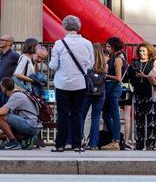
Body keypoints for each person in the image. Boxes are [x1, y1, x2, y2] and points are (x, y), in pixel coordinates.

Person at [49, 14, 93, 152]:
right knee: (77, 113)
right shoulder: (87, 43)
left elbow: (53, 65)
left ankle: (60, 144)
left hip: (62, 83)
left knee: (62, 113)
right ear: (78, 27)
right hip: (80, 83)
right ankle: (77, 144)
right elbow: (90, 64)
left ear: (64, 26)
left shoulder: (59, 44)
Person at [0, 78, 40, 149]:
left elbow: (2, 112)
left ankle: (13, 142)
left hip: (30, 124)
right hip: (31, 125)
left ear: (3, 87)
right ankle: (28, 138)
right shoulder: (19, 94)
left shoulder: (16, 95)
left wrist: (1, 109)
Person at [129, 42, 156, 150]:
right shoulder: (135, 63)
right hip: (138, 92)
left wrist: (143, 76)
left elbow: (154, 77)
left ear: (148, 51)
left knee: (151, 119)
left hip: (150, 93)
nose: (142, 53)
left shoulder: (152, 63)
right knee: (139, 119)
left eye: (144, 51)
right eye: (140, 51)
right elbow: (130, 77)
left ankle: (151, 143)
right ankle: (140, 143)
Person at [79, 44, 108, 149]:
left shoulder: (87, 64)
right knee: (96, 117)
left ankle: (80, 139)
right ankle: (93, 144)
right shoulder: (104, 65)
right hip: (100, 92)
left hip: (87, 92)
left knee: (82, 115)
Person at [100, 36, 125, 150]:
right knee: (105, 114)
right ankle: (114, 135)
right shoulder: (113, 57)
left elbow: (118, 77)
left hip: (114, 89)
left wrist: (105, 76)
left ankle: (116, 140)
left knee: (114, 115)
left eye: (109, 46)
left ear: (115, 47)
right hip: (109, 88)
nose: (107, 48)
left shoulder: (118, 59)